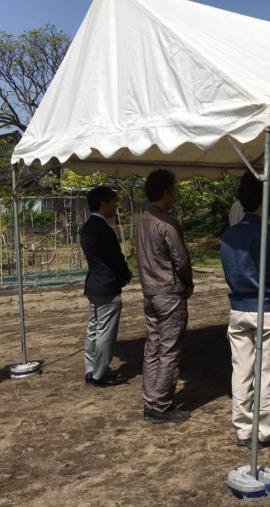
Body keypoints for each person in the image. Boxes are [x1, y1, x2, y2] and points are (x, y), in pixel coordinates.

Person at [220, 172, 270, 448]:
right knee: (269, 371)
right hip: (269, 307)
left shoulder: (230, 234)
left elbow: (230, 271)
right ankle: (263, 430)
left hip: (238, 307)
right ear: (265, 199)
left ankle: (242, 427)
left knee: (241, 370)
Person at [135, 169, 194, 423]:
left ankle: (151, 400)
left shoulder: (140, 219)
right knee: (169, 350)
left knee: (153, 347)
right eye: (174, 190)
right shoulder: (166, 223)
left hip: (149, 292)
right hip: (169, 293)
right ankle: (160, 405)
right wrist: (188, 283)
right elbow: (180, 259)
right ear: (167, 192)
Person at [79, 186, 132, 387]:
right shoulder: (104, 230)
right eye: (113, 203)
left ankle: (91, 369)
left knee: (93, 329)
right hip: (107, 286)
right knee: (105, 332)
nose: (116, 207)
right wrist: (125, 274)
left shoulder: (87, 227)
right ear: (103, 204)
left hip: (94, 285)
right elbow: (114, 259)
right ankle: (100, 374)